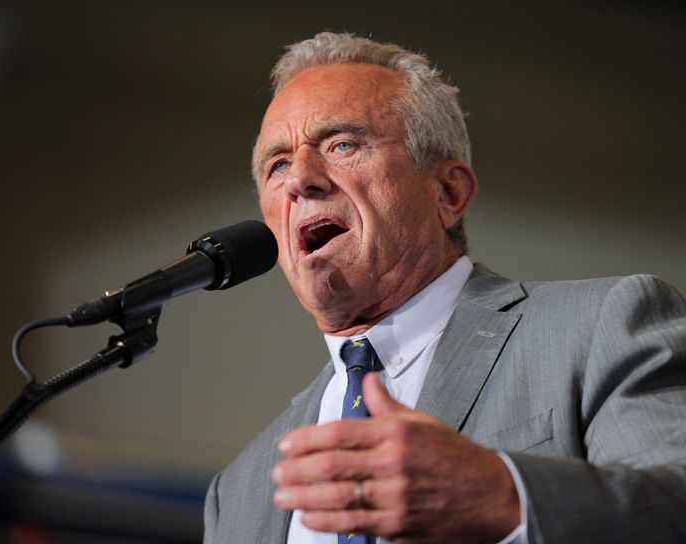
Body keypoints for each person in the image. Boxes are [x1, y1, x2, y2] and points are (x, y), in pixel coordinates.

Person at [203, 32, 686, 543]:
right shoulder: (238, 490)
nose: (300, 178)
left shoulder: (599, 328)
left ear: (450, 192)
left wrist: (506, 496)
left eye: (342, 144)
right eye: (277, 164)